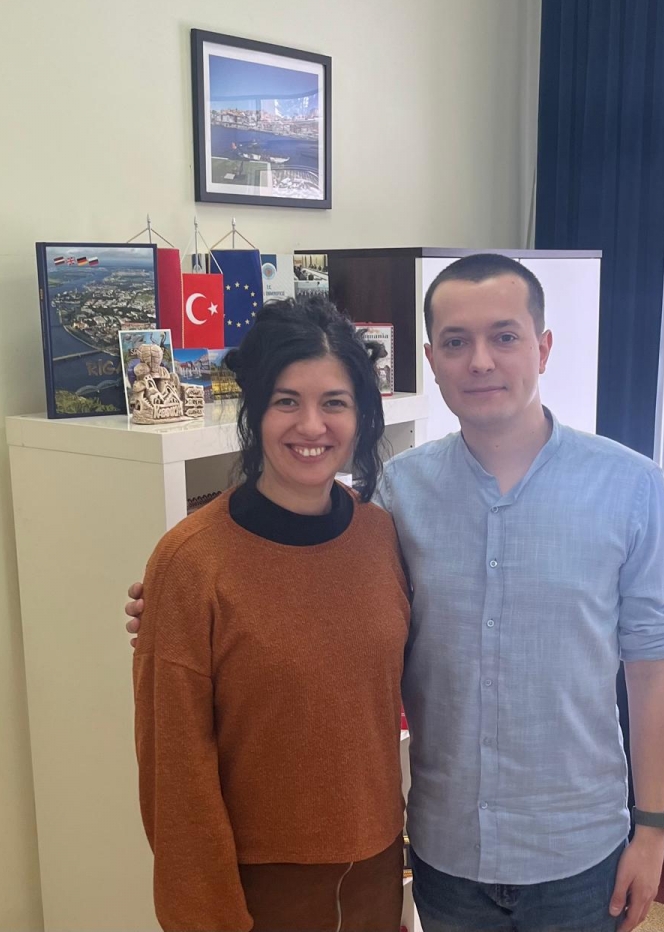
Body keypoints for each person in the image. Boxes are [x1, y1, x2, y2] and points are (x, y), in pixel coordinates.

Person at [127, 254, 664, 932]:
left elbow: (654, 667)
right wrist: (176, 602)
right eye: (456, 341)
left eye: (504, 336)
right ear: (432, 360)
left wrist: (652, 829)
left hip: (576, 850)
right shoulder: (399, 496)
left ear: (542, 348)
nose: (480, 361)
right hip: (444, 855)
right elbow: (302, 594)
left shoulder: (629, 488)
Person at [132, 294, 410, 932]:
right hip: (259, 886)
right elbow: (175, 772)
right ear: (255, 411)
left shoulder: (380, 536)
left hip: (376, 868)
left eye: (334, 402)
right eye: (287, 401)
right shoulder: (191, 562)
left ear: (361, 416)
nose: (311, 426)